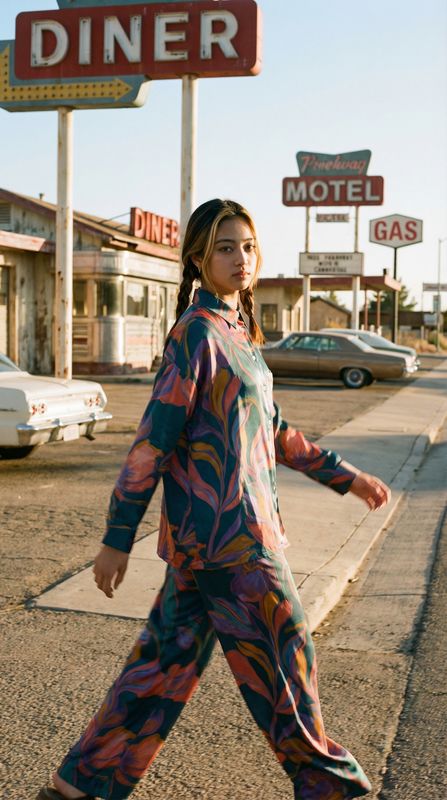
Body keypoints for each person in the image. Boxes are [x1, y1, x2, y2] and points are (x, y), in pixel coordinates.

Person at [37, 199, 390, 800]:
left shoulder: (239, 331)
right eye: (226, 247)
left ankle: (78, 787)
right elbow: (152, 443)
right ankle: (334, 788)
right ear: (198, 259)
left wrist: (346, 476)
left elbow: (274, 430)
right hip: (234, 543)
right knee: (285, 662)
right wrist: (116, 539)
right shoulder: (196, 334)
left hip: (215, 543)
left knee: (159, 672)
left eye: (248, 246)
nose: (240, 258)